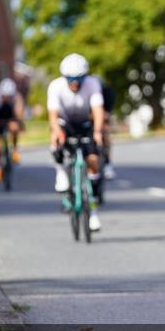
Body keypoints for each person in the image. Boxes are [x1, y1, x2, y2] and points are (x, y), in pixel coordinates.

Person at [47, 53, 104, 232]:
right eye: (71, 79)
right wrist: (58, 132)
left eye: (79, 79)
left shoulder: (92, 84)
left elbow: (98, 111)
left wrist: (97, 132)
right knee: (55, 138)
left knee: (93, 160)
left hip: (85, 123)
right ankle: (61, 173)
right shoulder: (56, 86)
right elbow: (53, 116)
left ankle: (93, 212)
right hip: (65, 123)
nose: (75, 83)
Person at [0, 78, 24, 184]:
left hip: (10, 116)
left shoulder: (16, 97)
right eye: (5, 95)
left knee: (14, 127)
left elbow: (19, 111)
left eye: (9, 96)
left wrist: (19, 122)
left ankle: (14, 149)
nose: (7, 98)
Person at [91, 75, 116, 180]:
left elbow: (107, 111)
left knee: (105, 133)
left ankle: (107, 162)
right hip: (89, 115)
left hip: (102, 115)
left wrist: (103, 118)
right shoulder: (88, 92)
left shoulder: (108, 92)